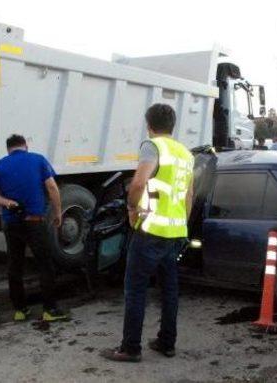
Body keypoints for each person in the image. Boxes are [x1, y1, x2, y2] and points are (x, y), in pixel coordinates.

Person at [102, 104, 194, 362]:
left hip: (150, 230)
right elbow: (189, 194)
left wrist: (131, 208)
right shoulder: (185, 154)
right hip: (174, 233)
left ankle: (130, 348)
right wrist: (180, 224)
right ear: (173, 125)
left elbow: (139, 183)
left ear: (149, 125)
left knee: (136, 289)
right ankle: (167, 342)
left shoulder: (152, 146)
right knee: (169, 289)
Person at [0, 134, 67, 322]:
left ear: (8, 149)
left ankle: (21, 310)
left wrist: (7, 203)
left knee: (15, 266)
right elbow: (52, 188)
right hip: (34, 221)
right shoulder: (38, 160)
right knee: (45, 265)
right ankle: (49, 310)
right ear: (25, 146)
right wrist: (58, 212)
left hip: (11, 223)